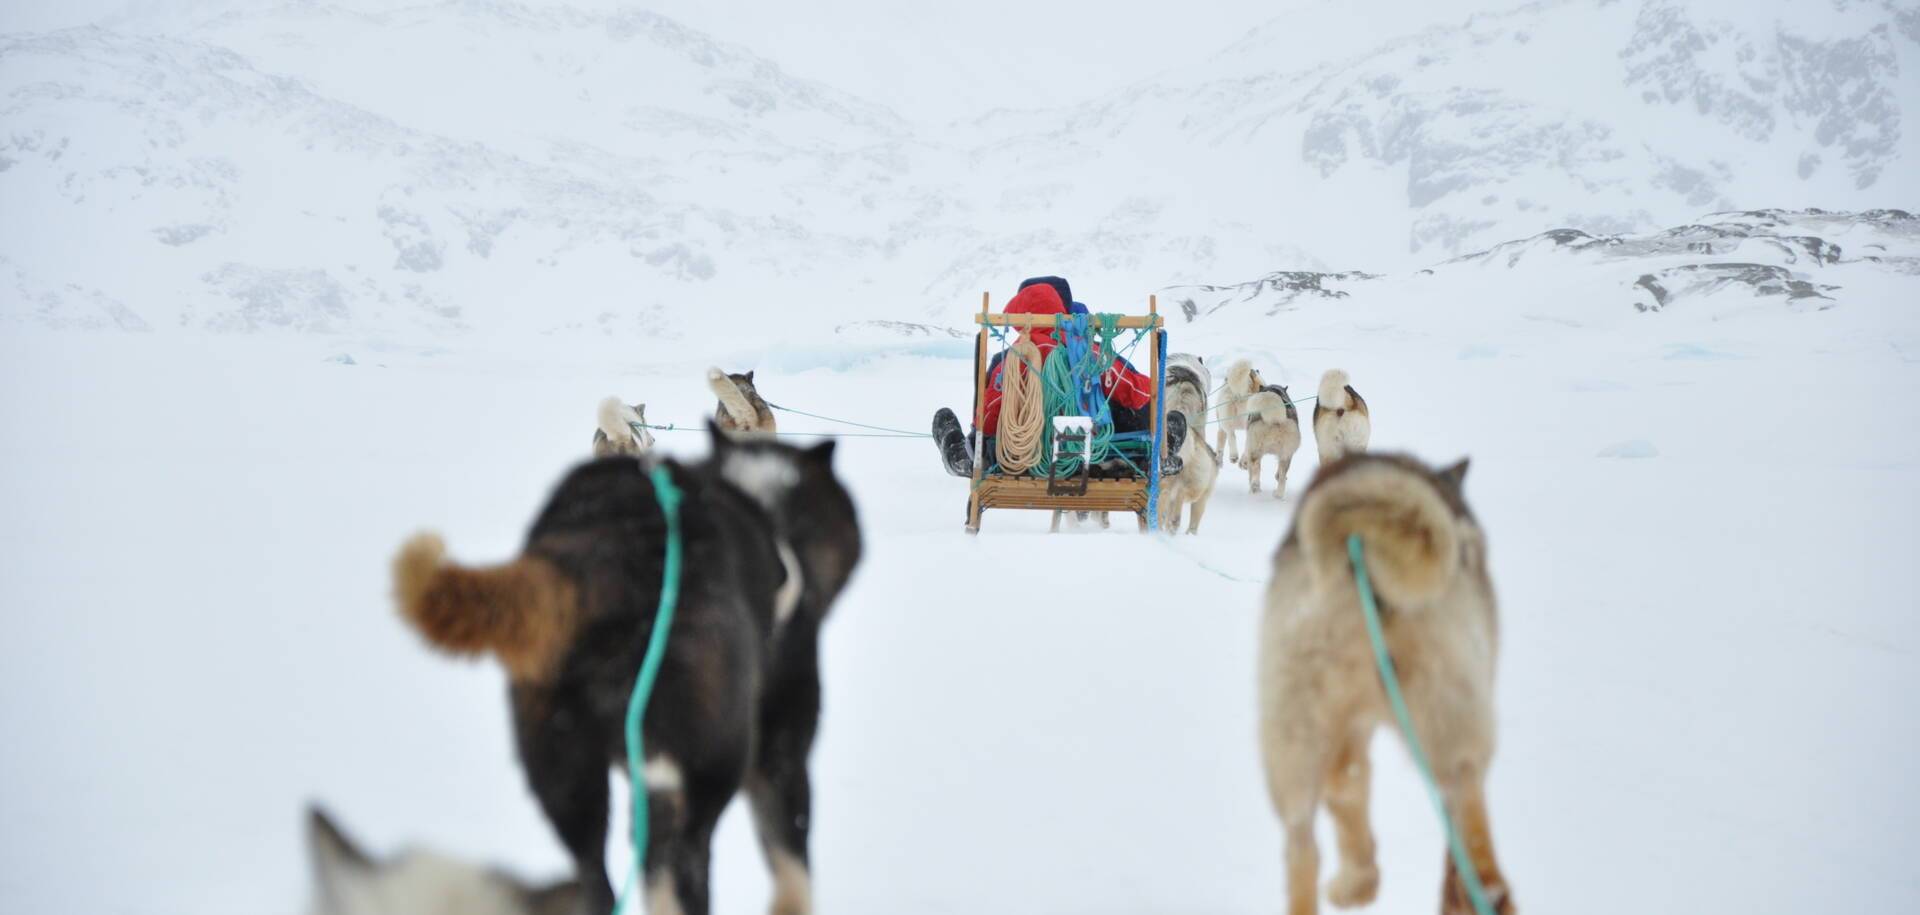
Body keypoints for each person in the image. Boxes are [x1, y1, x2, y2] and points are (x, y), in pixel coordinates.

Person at [930, 279, 1183, 477]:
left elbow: (989, 415)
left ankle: (957, 457)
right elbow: (1139, 392)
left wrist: (980, 441)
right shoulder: (1088, 352)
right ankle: (1163, 454)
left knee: (944, 418)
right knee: (1173, 420)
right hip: (1089, 456)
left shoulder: (1012, 359)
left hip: (1022, 460)